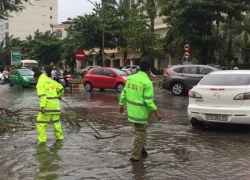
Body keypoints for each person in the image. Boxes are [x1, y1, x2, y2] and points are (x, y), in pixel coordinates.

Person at [119, 59, 162, 162]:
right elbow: (148, 101)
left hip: (131, 112)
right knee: (140, 132)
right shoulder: (147, 82)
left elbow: (124, 92)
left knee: (141, 130)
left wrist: (121, 105)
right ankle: (134, 157)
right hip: (140, 114)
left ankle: (142, 150)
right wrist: (156, 113)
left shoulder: (131, 78)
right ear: (149, 69)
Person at [33, 71, 64, 143]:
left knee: (40, 123)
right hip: (56, 106)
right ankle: (60, 138)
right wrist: (59, 96)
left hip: (47, 107)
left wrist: (42, 107)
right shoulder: (52, 81)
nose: (35, 81)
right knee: (56, 122)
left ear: (37, 77)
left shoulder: (40, 84)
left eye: (35, 79)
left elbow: (42, 96)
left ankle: (42, 141)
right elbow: (61, 88)